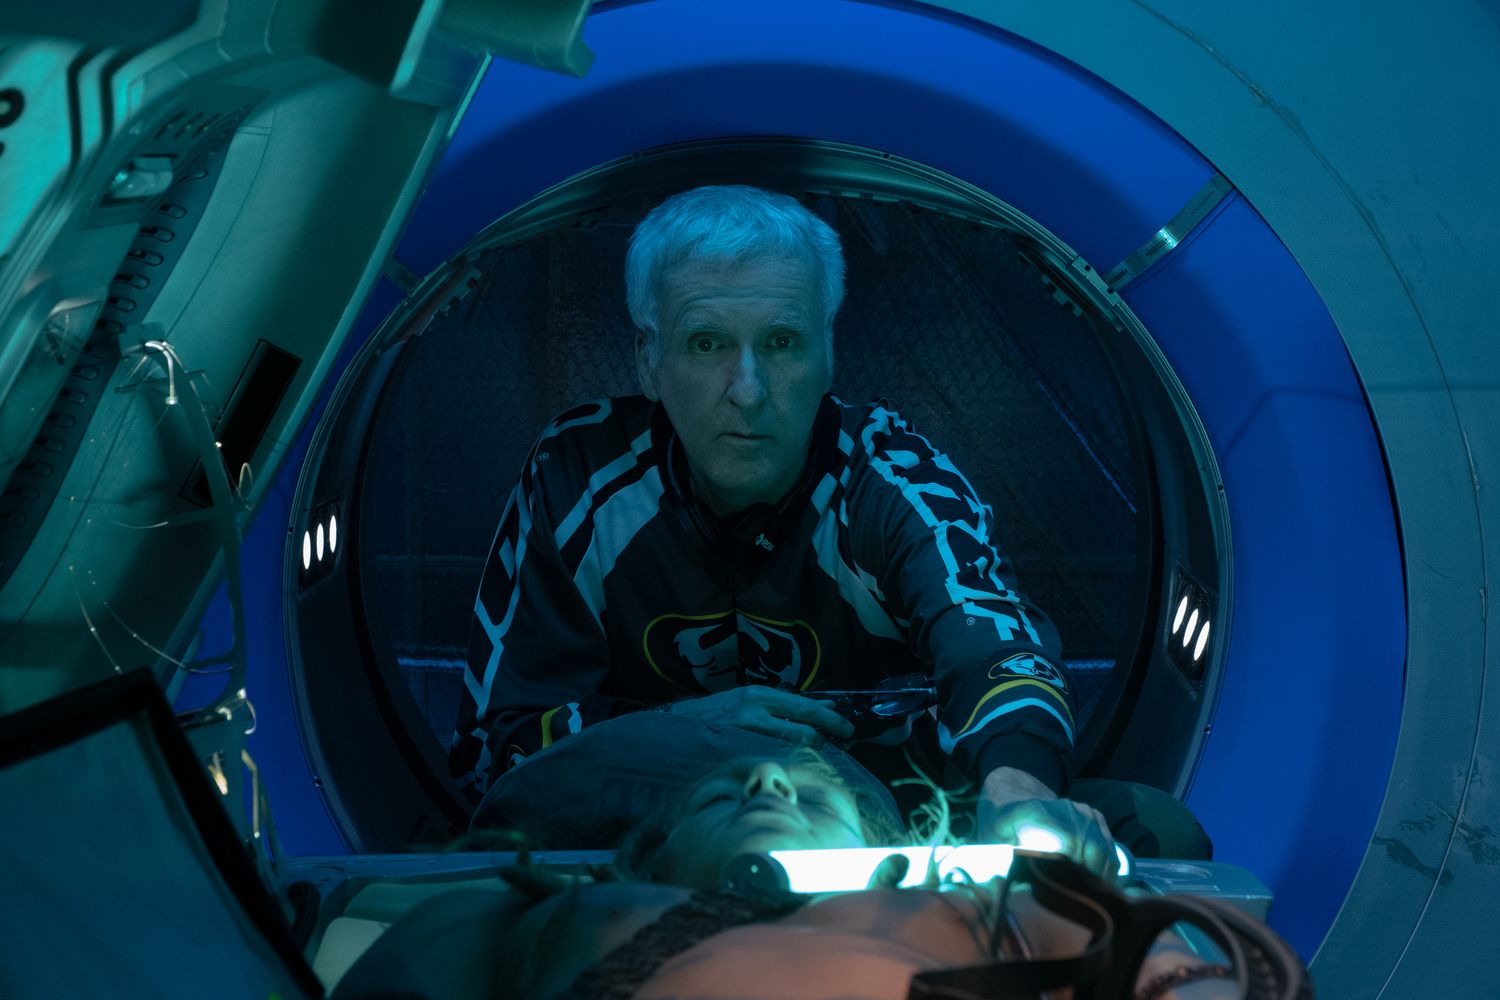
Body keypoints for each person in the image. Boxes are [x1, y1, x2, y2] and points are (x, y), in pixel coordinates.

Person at [449, 184, 1207, 871]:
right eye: (707, 343)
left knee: (1153, 831)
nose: (747, 391)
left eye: (781, 343)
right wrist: (687, 729)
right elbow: (500, 748)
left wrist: (1018, 789)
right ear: (649, 359)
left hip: (883, 817)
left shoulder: (886, 475)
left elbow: (993, 645)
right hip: (654, 821)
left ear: (828, 353)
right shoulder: (581, 473)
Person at [334, 753, 1297, 1000]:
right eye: (721, 791)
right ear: (646, 858)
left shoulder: (1004, 906)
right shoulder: (546, 918)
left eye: (809, 791)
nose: (764, 781)